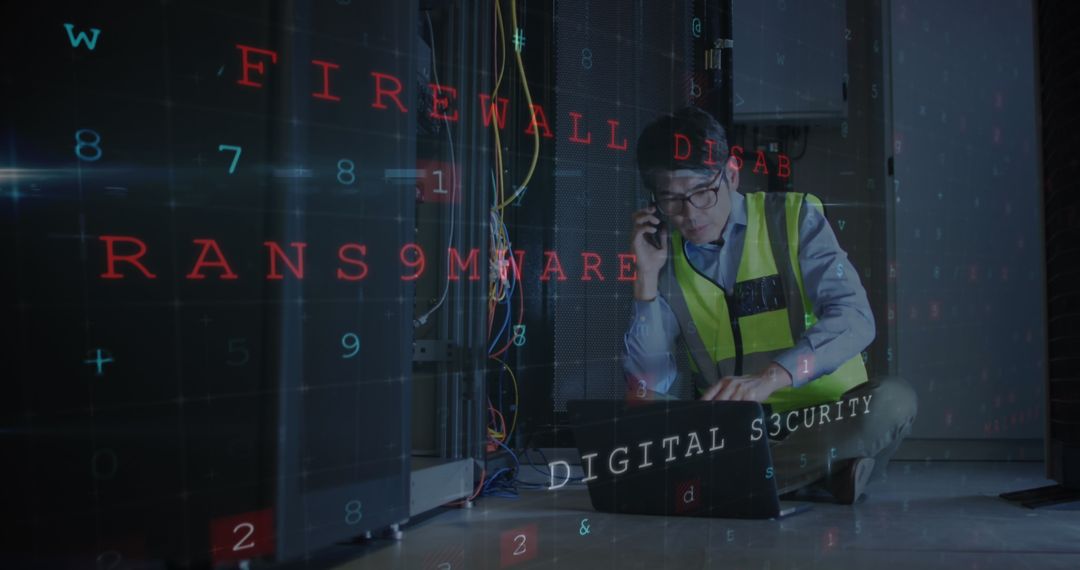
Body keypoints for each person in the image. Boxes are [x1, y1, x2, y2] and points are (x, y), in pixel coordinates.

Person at [623, 106, 917, 504]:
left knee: (893, 401)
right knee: (645, 419)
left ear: (730, 174)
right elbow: (649, 382)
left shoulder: (795, 217)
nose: (690, 215)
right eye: (672, 200)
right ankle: (821, 474)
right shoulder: (665, 255)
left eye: (701, 193)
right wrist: (646, 280)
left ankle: (717, 485)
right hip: (734, 429)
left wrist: (772, 378)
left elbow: (856, 319)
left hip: (828, 415)